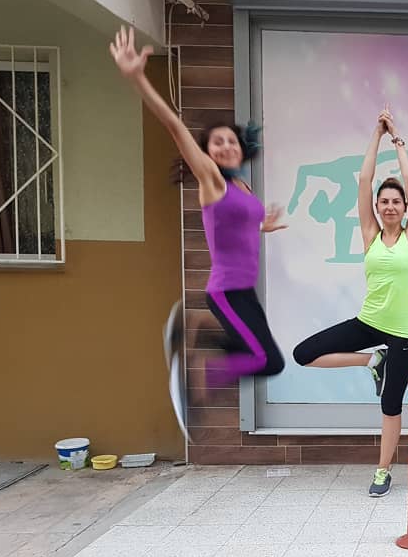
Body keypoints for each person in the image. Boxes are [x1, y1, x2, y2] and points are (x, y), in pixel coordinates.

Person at [109, 25, 286, 438]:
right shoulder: (213, 181)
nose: (225, 146)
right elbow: (175, 127)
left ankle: (195, 331)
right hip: (226, 292)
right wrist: (137, 78)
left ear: (242, 148)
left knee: (267, 358)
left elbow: (236, 227)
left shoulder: (241, 187)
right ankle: (199, 377)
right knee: (266, 360)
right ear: (206, 154)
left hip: (242, 291)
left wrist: (263, 225)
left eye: (231, 141)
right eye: (216, 143)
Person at [293, 107, 408, 498]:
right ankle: (372, 360)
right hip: (369, 323)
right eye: (384, 201)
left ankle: (383, 471)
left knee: (391, 405)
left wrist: (397, 139)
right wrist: (376, 134)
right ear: (377, 207)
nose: (389, 206)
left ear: (405, 208)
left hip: (404, 333)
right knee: (304, 353)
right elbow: (364, 180)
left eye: (396, 202)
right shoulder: (370, 234)